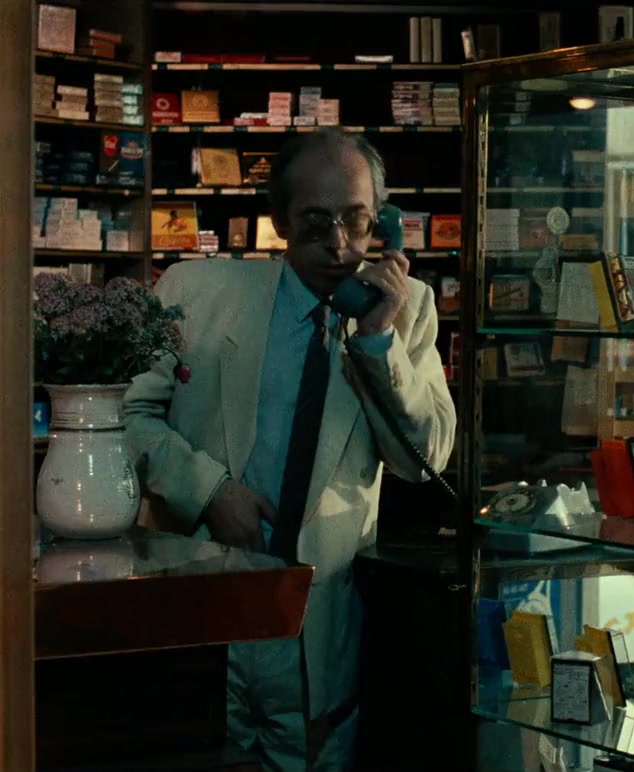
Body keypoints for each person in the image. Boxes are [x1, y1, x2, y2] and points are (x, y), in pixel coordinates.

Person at [123, 130, 457, 770]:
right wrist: (209, 490)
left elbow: (426, 460)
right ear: (279, 220)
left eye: (357, 221)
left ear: (381, 220)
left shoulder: (406, 309)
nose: (340, 245)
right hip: (207, 604)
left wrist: (378, 342)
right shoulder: (195, 293)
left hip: (320, 625)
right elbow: (127, 415)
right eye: (316, 222)